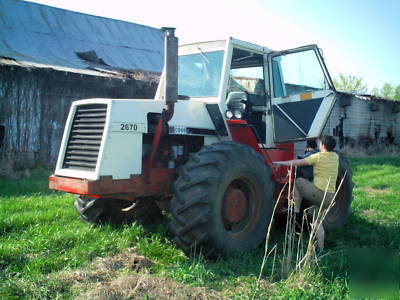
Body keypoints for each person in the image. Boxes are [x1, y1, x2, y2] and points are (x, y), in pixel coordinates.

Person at [273, 136, 339, 250]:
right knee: (317, 222)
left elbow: (298, 162)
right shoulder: (336, 157)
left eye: (320, 143)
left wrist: (281, 163)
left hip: (319, 194)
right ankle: (321, 249)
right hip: (329, 198)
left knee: (298, 181)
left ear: (323, 146)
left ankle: (296, 210)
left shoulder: (318, 156)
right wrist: (318, 137)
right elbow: (323, 146)